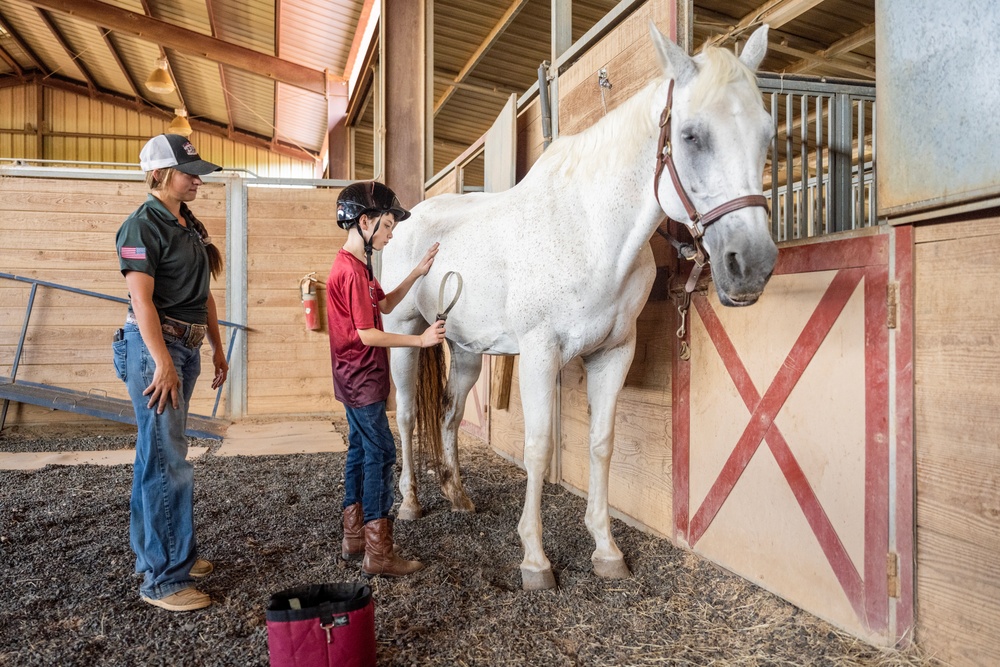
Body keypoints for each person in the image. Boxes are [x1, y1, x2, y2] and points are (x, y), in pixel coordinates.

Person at [112, 134, 229, 611]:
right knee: (168, 462)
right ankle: (163, 578)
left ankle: (169, 554)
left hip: (186, 343)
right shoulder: (141, 226)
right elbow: (142, 300)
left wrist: (218, 347)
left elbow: (203, 293)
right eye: (189, 171)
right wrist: (162, 361)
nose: (197, 179)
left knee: (156, 456)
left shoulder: (187, 223)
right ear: (160, 174)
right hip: (156, 347)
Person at [328, 180, 445, 577]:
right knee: (383, 453)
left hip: (353, 379)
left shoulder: (356, 266)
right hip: (362, 380)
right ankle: (378, 553)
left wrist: (416, 273)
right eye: (389, 225)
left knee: (360, 450)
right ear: (365, 222)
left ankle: (355, 535)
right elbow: (368, 334)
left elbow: (386, 303)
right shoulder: (353, 273)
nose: (392, 234)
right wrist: (420, 340)